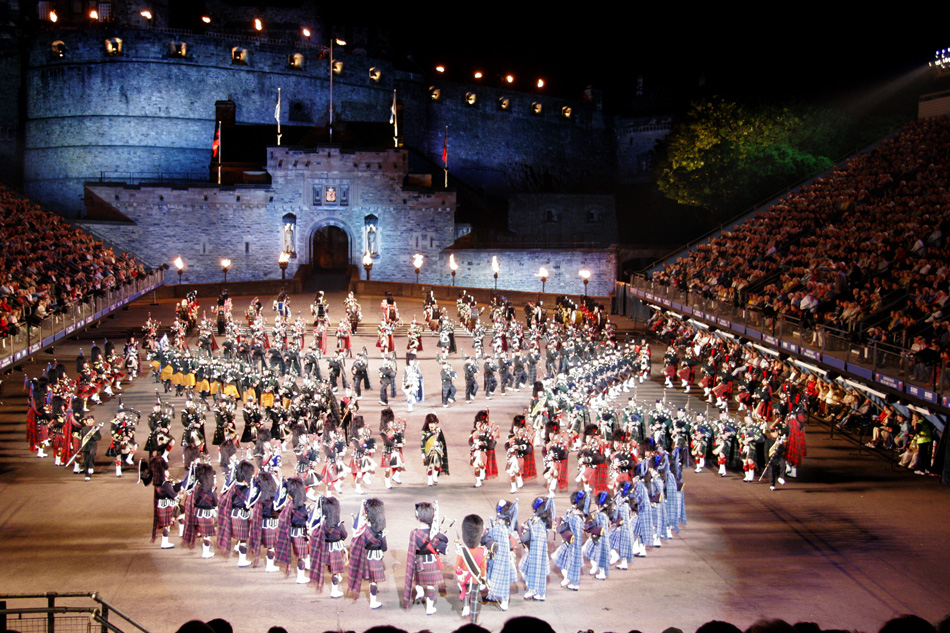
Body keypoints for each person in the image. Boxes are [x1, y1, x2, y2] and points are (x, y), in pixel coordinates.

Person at [402, 501, 448, 615]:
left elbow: (411, 553)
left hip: (419, 564)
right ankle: (430, 607)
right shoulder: (435, 534)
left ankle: (419, 591)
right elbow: (444, 547)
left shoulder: (415, 533)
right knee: (431, 586)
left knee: (418, 580)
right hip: (432, 563)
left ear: (418, 516)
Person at [216, 460, 260, 567]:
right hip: (241, 515)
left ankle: (236, 547)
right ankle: (242, 559)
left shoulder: (232, 487)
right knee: (243, 538)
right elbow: (249, 504)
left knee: (239, 536)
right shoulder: (246, 491)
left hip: (232, 514)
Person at [347, 498, 388, 609]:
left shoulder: (363, 531)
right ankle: (373, 601)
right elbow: (384, 547)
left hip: (366, 557)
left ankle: (372, 598)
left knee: (371, 580)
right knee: (373, 582)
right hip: (376, 558)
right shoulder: (380, 531)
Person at [307, 495, 348, 597]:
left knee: (331, 567)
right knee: (336, 572)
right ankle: (334, 591)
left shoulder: (322, 525)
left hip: (325, 549)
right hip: (336, 549)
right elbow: (344, 535)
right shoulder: (338, 525)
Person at [274, 477, 312, 583]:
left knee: (302, 555)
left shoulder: (290, 505)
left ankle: (305, 568)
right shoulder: (300, 507)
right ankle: (300, 577)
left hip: (292, 533)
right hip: (299, 533)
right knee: (302, 557)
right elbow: (301, 520)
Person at [482, 499, 518, 611]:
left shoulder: (508, 525)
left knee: (503, 577)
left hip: (504, 556)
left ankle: (505, 600)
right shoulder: (493, 521)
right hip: (493, 553)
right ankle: (494, 593)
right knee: (491, 575)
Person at [552, 490, 586, 591]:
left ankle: (574, 583)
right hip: (568, 542)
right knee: (558, 558)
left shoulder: (576, 517)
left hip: (572, 544)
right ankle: (567, 578)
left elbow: (576, 535)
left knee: (571, 563)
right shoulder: (574, 512)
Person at [520, 497, 552, 601]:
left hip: (535, 551)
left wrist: (526, 528)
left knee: (530, 568)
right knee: (536, 570)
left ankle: (532, 589)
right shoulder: (543, 520)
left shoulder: (537, 523)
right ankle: (540, 592)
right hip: (540, 551)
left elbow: (529, 537)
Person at [182, 462, 218, 558]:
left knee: (203, 533)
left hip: (197, 513)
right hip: (207, 514)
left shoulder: (197, 489)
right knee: (207, 535)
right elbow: (215, 503)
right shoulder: (211, 492)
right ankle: (206, 552)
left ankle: (205, 551)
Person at [455, 513, 487, 619]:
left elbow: (457, 567)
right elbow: (483, 569)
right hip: (476, 579)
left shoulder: (462, 551)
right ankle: (473, 618)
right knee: (474, 598)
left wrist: (460, 573)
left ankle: (465, 607)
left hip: (465, 578)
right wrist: (483, 578)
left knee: (465, 593)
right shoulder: (482, 552)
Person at [149, 455, 182, 549]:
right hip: (167, 506)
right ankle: (164, 542)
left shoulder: (158, 482)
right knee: (167, 525)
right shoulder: (165, 484)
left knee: (167, 525)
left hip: (161, 505)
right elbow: (175, 495)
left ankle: (167, 540)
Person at [582, 492, 611, 580]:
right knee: (593, 552)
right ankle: (596, 567)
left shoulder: (600, 515)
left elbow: (595, 525)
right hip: (603, 538)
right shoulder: (605, 514)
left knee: (592, 552)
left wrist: (587, 525)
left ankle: (600, 572)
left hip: (598, 538)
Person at [421, 413, 449, 486]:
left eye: (433, 423)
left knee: (437, 464)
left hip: (437, 451)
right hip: (428, 452)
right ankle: (430, 479)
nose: (431, 425)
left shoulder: (438, 431)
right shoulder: (425, 433)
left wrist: (438, 443)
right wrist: (423, 453)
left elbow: (442, 441)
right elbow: (423, 444)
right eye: (430, 423)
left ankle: (435, 475)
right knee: (429, 466)